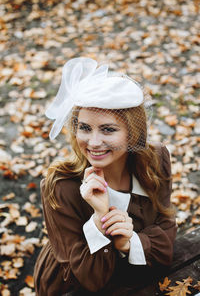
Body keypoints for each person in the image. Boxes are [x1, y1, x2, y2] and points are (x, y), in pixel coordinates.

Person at [34, 57, 177, 296]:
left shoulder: (155, 159)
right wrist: (100, 220)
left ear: (133, 134)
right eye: (85, 128)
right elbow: (91, 280)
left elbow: (167, 230)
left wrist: (128, 243)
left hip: (138, 277)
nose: (94, 142)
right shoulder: (60, 185)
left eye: (108, 129)